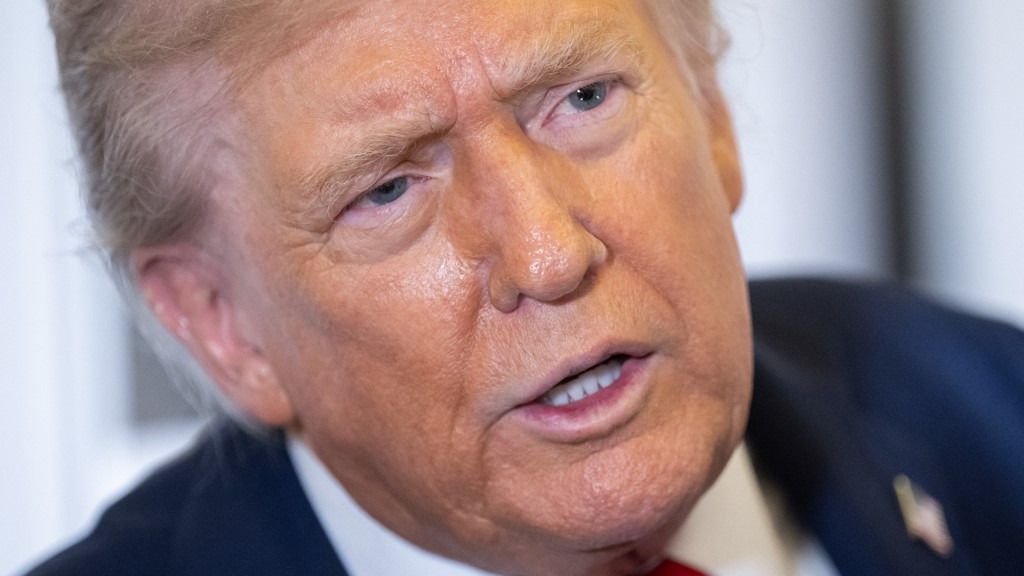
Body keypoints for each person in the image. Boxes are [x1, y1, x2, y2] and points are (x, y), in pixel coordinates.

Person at [28, 1, 1024, 575]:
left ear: (711, 112)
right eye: (386, 191)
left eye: (582, 98)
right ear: (224, 324)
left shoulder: (991, 406)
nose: (549, 256)